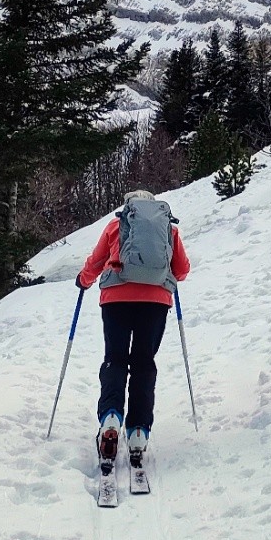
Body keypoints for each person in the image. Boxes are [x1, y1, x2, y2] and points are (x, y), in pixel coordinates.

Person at [76, 190, 191, 465]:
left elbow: (96, 261)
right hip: (155, 301)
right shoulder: (168, 229)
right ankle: (138, 430)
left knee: (115, 358)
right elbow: (183, 269)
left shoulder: (116, 225)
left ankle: (111, 416)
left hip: (115, 298)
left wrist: (83, 280)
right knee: (143, 362)